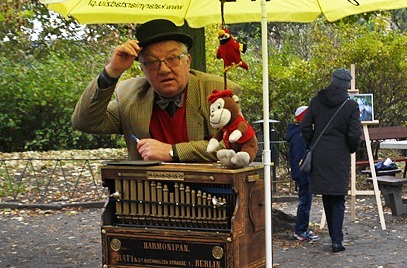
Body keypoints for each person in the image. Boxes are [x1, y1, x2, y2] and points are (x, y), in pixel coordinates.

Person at [72, 19, 256, 162]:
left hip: (207, 199)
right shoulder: (129, 95)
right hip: (145, 199)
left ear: (188, 60)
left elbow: (235, 144)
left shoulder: (219, 91)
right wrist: (112, 71)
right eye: (152, 62)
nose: (164, 69)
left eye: (173, 58)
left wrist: (171, 151)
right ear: (142, 69)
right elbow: (86, 122)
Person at [300, 68, 361, 253]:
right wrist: (350, 148)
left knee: (327, 195)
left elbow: (304, 126)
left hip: (320, 155)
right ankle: (337, 240)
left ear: (332, 81)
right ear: (346, 85)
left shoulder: (317, 101)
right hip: (339, 155)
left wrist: (313, 143)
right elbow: (354, 134)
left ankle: (335, 237)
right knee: (338, 198)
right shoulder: (350, 106)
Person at [286, 105, 318, 242]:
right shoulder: (300, 135)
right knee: (305, 202)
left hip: (303, 173)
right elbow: (299, 158)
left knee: (305, 201)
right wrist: (303, 174)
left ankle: (302, 229)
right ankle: (300, 230)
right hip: (304, 174)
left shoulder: (298, 133)